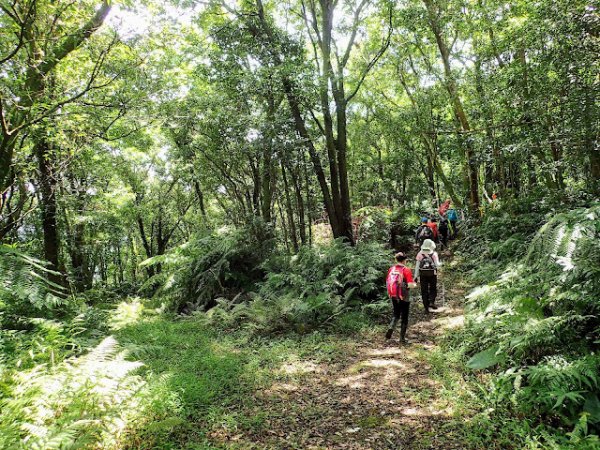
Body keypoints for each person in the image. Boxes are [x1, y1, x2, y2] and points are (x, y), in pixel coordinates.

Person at [385, 252, 417, 344]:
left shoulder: (392, 269)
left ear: (396, 260)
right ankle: (402, 338)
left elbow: (387, 281)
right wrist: (415, 284)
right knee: (404, 316)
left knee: (396, 314)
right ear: (404, 260)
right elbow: (410, 285)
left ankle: (391, 328)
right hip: (404, 295)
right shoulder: (406, 269)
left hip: (394, 295)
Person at [414, 239, 441, 313]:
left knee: (424, 290)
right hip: (433, 274)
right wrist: (441, 264)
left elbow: (417, 266)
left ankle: (426, 307)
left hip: (423, 274)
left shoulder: (420, 254)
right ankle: (431, 301)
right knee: (433, 288)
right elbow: (437, 265)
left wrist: (415, 276)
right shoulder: (434, 254)